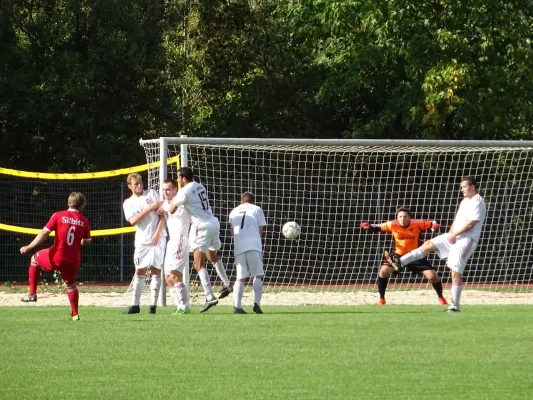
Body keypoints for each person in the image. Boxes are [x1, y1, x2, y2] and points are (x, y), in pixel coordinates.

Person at [385, 176, 486, 312]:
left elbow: (471, 223)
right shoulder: (465, 201)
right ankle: (399, 262)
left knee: (455, 272)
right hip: (454, 236)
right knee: (428, 244)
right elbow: (457, 219)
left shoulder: (478, 201)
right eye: (461, 187)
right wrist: (451, 232)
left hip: (466, 239)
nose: (461, 189)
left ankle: (455, 306)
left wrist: (455, 235)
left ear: (472, 186)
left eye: (464, 186)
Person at [168, 167, 232, 313]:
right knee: (212, 255)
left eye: (178, 178)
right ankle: (227, 284)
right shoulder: (199, 185)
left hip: (200, 226)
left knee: (198, 263)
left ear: (183, 178)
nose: (177, 180)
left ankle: (210, 296)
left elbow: (171, 210)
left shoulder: (183, 191)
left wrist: (173, 200)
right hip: (213, 222)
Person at [20, 192, 91, 320]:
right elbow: (87, 241)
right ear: (82, 206)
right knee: (71, 285)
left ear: (69, 203)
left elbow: (44, 233)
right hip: (73, 260)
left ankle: (32, 294)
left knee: (34, 259)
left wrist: (29, 246)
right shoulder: (84, 220)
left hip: (57, 256)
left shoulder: (58, 215)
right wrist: (81, 241)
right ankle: (75, 314)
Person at [361, 207, 447, 306]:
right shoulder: (392, 224)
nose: (403, 219)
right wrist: (367, 226)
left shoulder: (418, 223)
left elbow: (433, 223)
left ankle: (441, 297)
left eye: (405, 217)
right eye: (400, 217)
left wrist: (435, 226)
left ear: (409, 218)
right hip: (398, 256)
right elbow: (377, 226)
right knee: (383, 272)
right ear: (397, 218)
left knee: (433, 277)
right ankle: (382, 299)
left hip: (416, 255)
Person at [123, 173, 166, 314]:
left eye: (141, 183)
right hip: (142, 240)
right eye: (136, 184)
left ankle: (153, 306)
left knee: (156, 270)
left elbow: (162, 215)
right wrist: (149, 208)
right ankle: (135, 305)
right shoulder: (128, 203)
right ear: (130, 186)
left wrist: (158, 232)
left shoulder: (152, 194)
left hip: (157, 238)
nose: (140, 186)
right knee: (139, 271)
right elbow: (133, 221)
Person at [228, 192, 267, 314]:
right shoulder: (257, 209)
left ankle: (237, 307)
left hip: (239, 246)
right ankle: (256, 304)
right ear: (253, 201)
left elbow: (232, 233)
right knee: (258, 275)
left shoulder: (233, 211)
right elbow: (260, 229)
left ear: (241, 201)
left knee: (240, 278)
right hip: (253, 245)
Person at [158, 178, 191, 314]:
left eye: (168, 189)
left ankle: (185, 306)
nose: (165, 192)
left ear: (175, 190)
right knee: (167, 276)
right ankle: (179, 306)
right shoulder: (165, 203)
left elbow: (168, 208)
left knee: (175, 273)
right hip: (171, 241)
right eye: (164, 189)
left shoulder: (181, 203)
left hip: (180, 240)